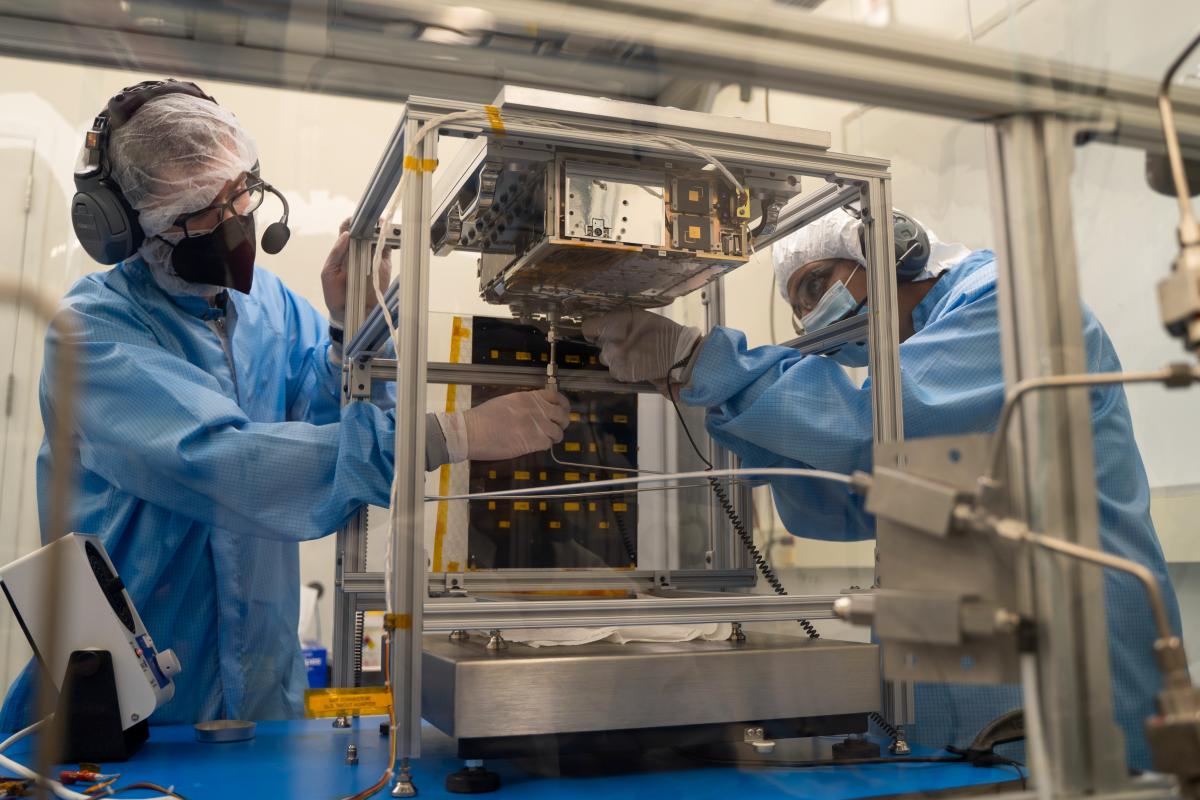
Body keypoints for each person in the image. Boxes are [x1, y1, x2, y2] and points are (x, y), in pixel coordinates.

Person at [0, 80, 570, 728]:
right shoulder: (94, 334)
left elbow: (330, 433)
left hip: (265, 698)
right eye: (208, 211)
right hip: (136, 714)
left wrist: (341, 328)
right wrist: (448, 436)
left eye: (242, 190)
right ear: (133, 227)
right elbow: (227, 463)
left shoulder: (268, 307)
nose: (239, 217)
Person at [582, 208, 1181, 770]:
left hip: (1068, 670)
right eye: (799, 303)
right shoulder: (914, 360)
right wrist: (719, 403)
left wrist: (704, 360)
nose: (811, 315)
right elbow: (850, 502)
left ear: (890, 249)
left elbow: (867, 432)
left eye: (816, 286)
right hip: (957, 696)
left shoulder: (1010, 305)